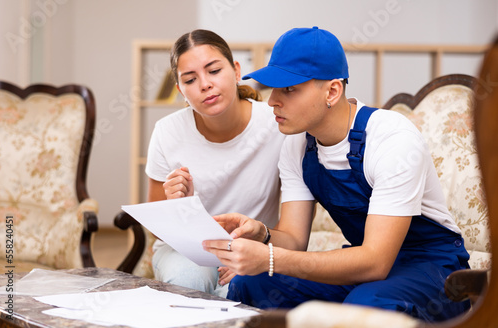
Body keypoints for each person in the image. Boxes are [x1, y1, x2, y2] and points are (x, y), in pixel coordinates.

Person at [203, 26, 471, 322]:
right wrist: (261, 234)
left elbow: (375, 262)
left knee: (364, 305)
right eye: (273, 88)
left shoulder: (392, 138)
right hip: (367, 266)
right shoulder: (296, 145)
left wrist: (269, 258)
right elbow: (293, 240)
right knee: (250, 282)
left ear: (332, 91)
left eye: (289, 89)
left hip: (432, 270)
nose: (272, 101)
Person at [146, 29, 285, 297]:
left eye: (213, 70)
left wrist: (259, 253)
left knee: (237, 292)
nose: (205, 85)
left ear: (235, 71)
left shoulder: (275, 124)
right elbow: (158, 232)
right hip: (185, 248)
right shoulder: (167, 131)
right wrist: (179, 205)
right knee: (187, 280)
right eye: (190, 79)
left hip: (252, 246)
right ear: (180, 91)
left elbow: (293, 226)